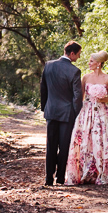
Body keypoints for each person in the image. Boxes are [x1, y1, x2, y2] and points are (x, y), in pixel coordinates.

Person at [65, 50, 108, 185]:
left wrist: (100, 99)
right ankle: (87, 172)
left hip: (102, 112)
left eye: (91, 61)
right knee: (86, 140)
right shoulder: (85, 77)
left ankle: (106, 172)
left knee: (104, 140)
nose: (89, 63)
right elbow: (81, 97)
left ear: (99, 63)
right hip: (87, 112)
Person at [40, 40, 83, 186]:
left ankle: (48, 179)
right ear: (72, 53)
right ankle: (60, 178)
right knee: (64, 146)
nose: (78, 57)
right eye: (78, 55)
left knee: (50, 146)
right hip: (67, 114)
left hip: (51, 111)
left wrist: (44, 108)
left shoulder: (48, 65)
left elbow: (43, 89)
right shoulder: (74, 71)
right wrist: (78, 115)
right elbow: (77, 97)